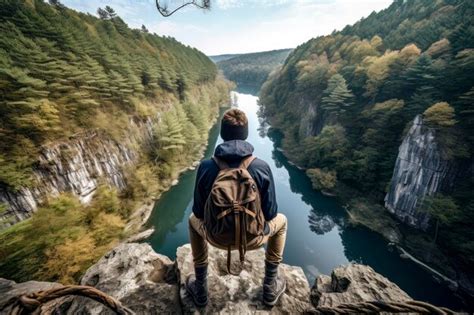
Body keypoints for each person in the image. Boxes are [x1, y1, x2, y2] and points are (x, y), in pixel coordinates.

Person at [186, 108, 288, 307]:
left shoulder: (207, 166)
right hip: (253, 238)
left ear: (223, 134)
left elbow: (199, 212)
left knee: (192, 220)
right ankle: (269, 286)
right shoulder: (261, 167)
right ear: (245, 134)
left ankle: (200, 289)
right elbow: (271, 213)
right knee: (282, 222)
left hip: (215, 237)